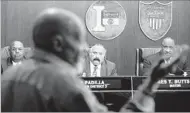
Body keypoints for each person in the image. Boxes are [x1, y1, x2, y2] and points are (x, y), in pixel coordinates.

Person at [1, 7, 189, 112]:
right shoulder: (63, 83)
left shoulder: (9, 76)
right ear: (58, 43)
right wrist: (150, 84)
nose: (84, 48)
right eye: (79, 40)